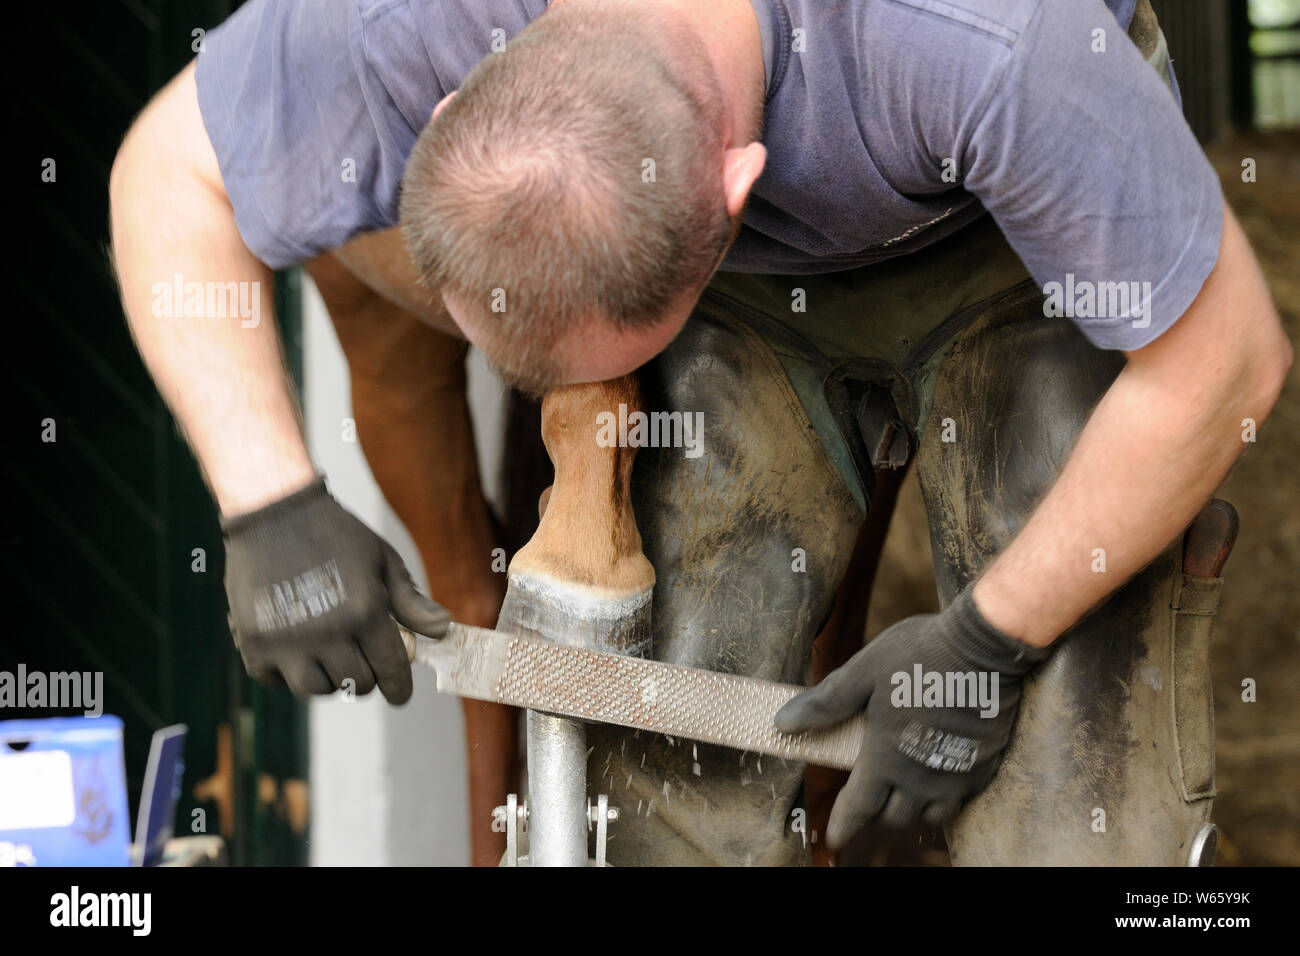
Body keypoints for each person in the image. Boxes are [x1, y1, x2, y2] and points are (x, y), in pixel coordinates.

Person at [109, 0, 1290, 865]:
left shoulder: (999, 45)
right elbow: (171, 170)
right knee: (663, 759)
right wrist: (266, 499)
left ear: (736, 192)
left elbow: (1226, 362)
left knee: (1075, 786)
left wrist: (986, 636)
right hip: (746, 301)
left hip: (1017, 245)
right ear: (459, 97)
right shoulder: (409, 18)